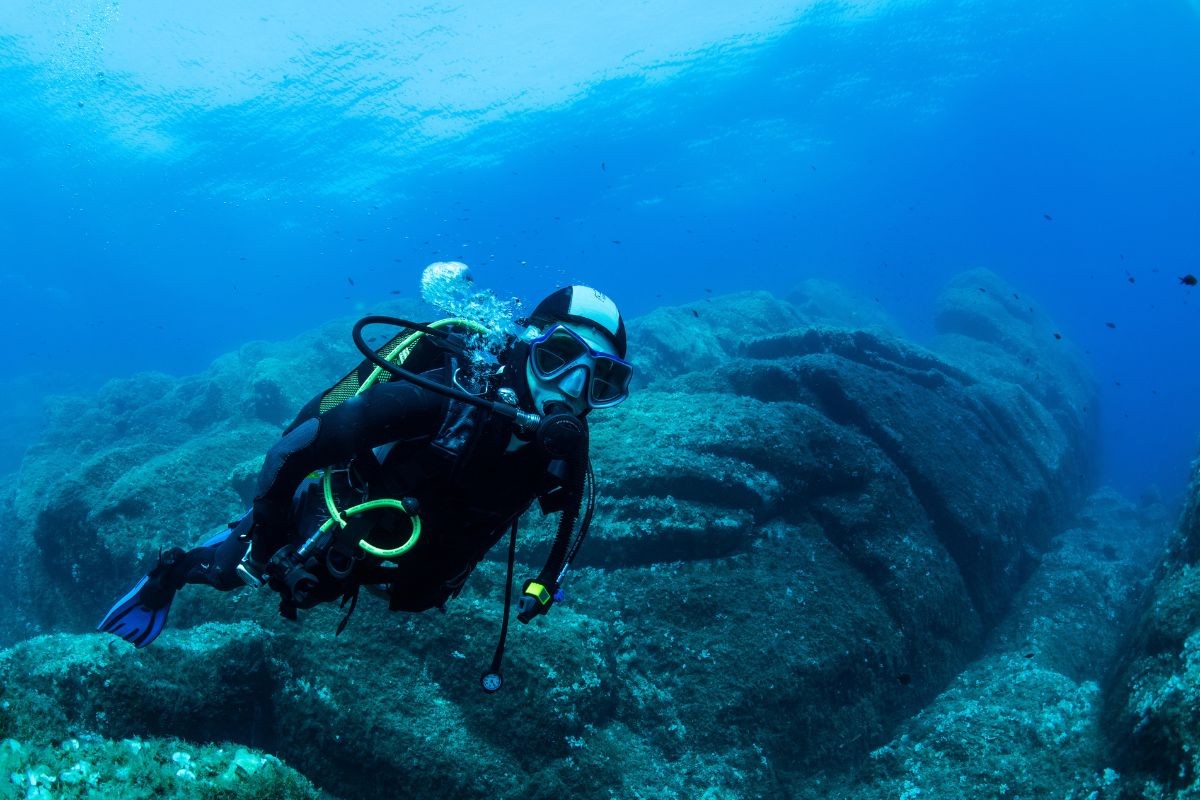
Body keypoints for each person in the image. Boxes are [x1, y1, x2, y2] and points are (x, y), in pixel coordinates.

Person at [98, 284, 632, 688]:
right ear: (523, 344)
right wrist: (263, 547)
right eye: (558, 358)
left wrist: (542, 587)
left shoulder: (562, 452)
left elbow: (562, 532)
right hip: (336, 534)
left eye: (601, 380)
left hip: (409, 566)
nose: (571, 389)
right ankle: (172, 573)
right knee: (236, 576)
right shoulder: (442, 400)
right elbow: (292, 449)